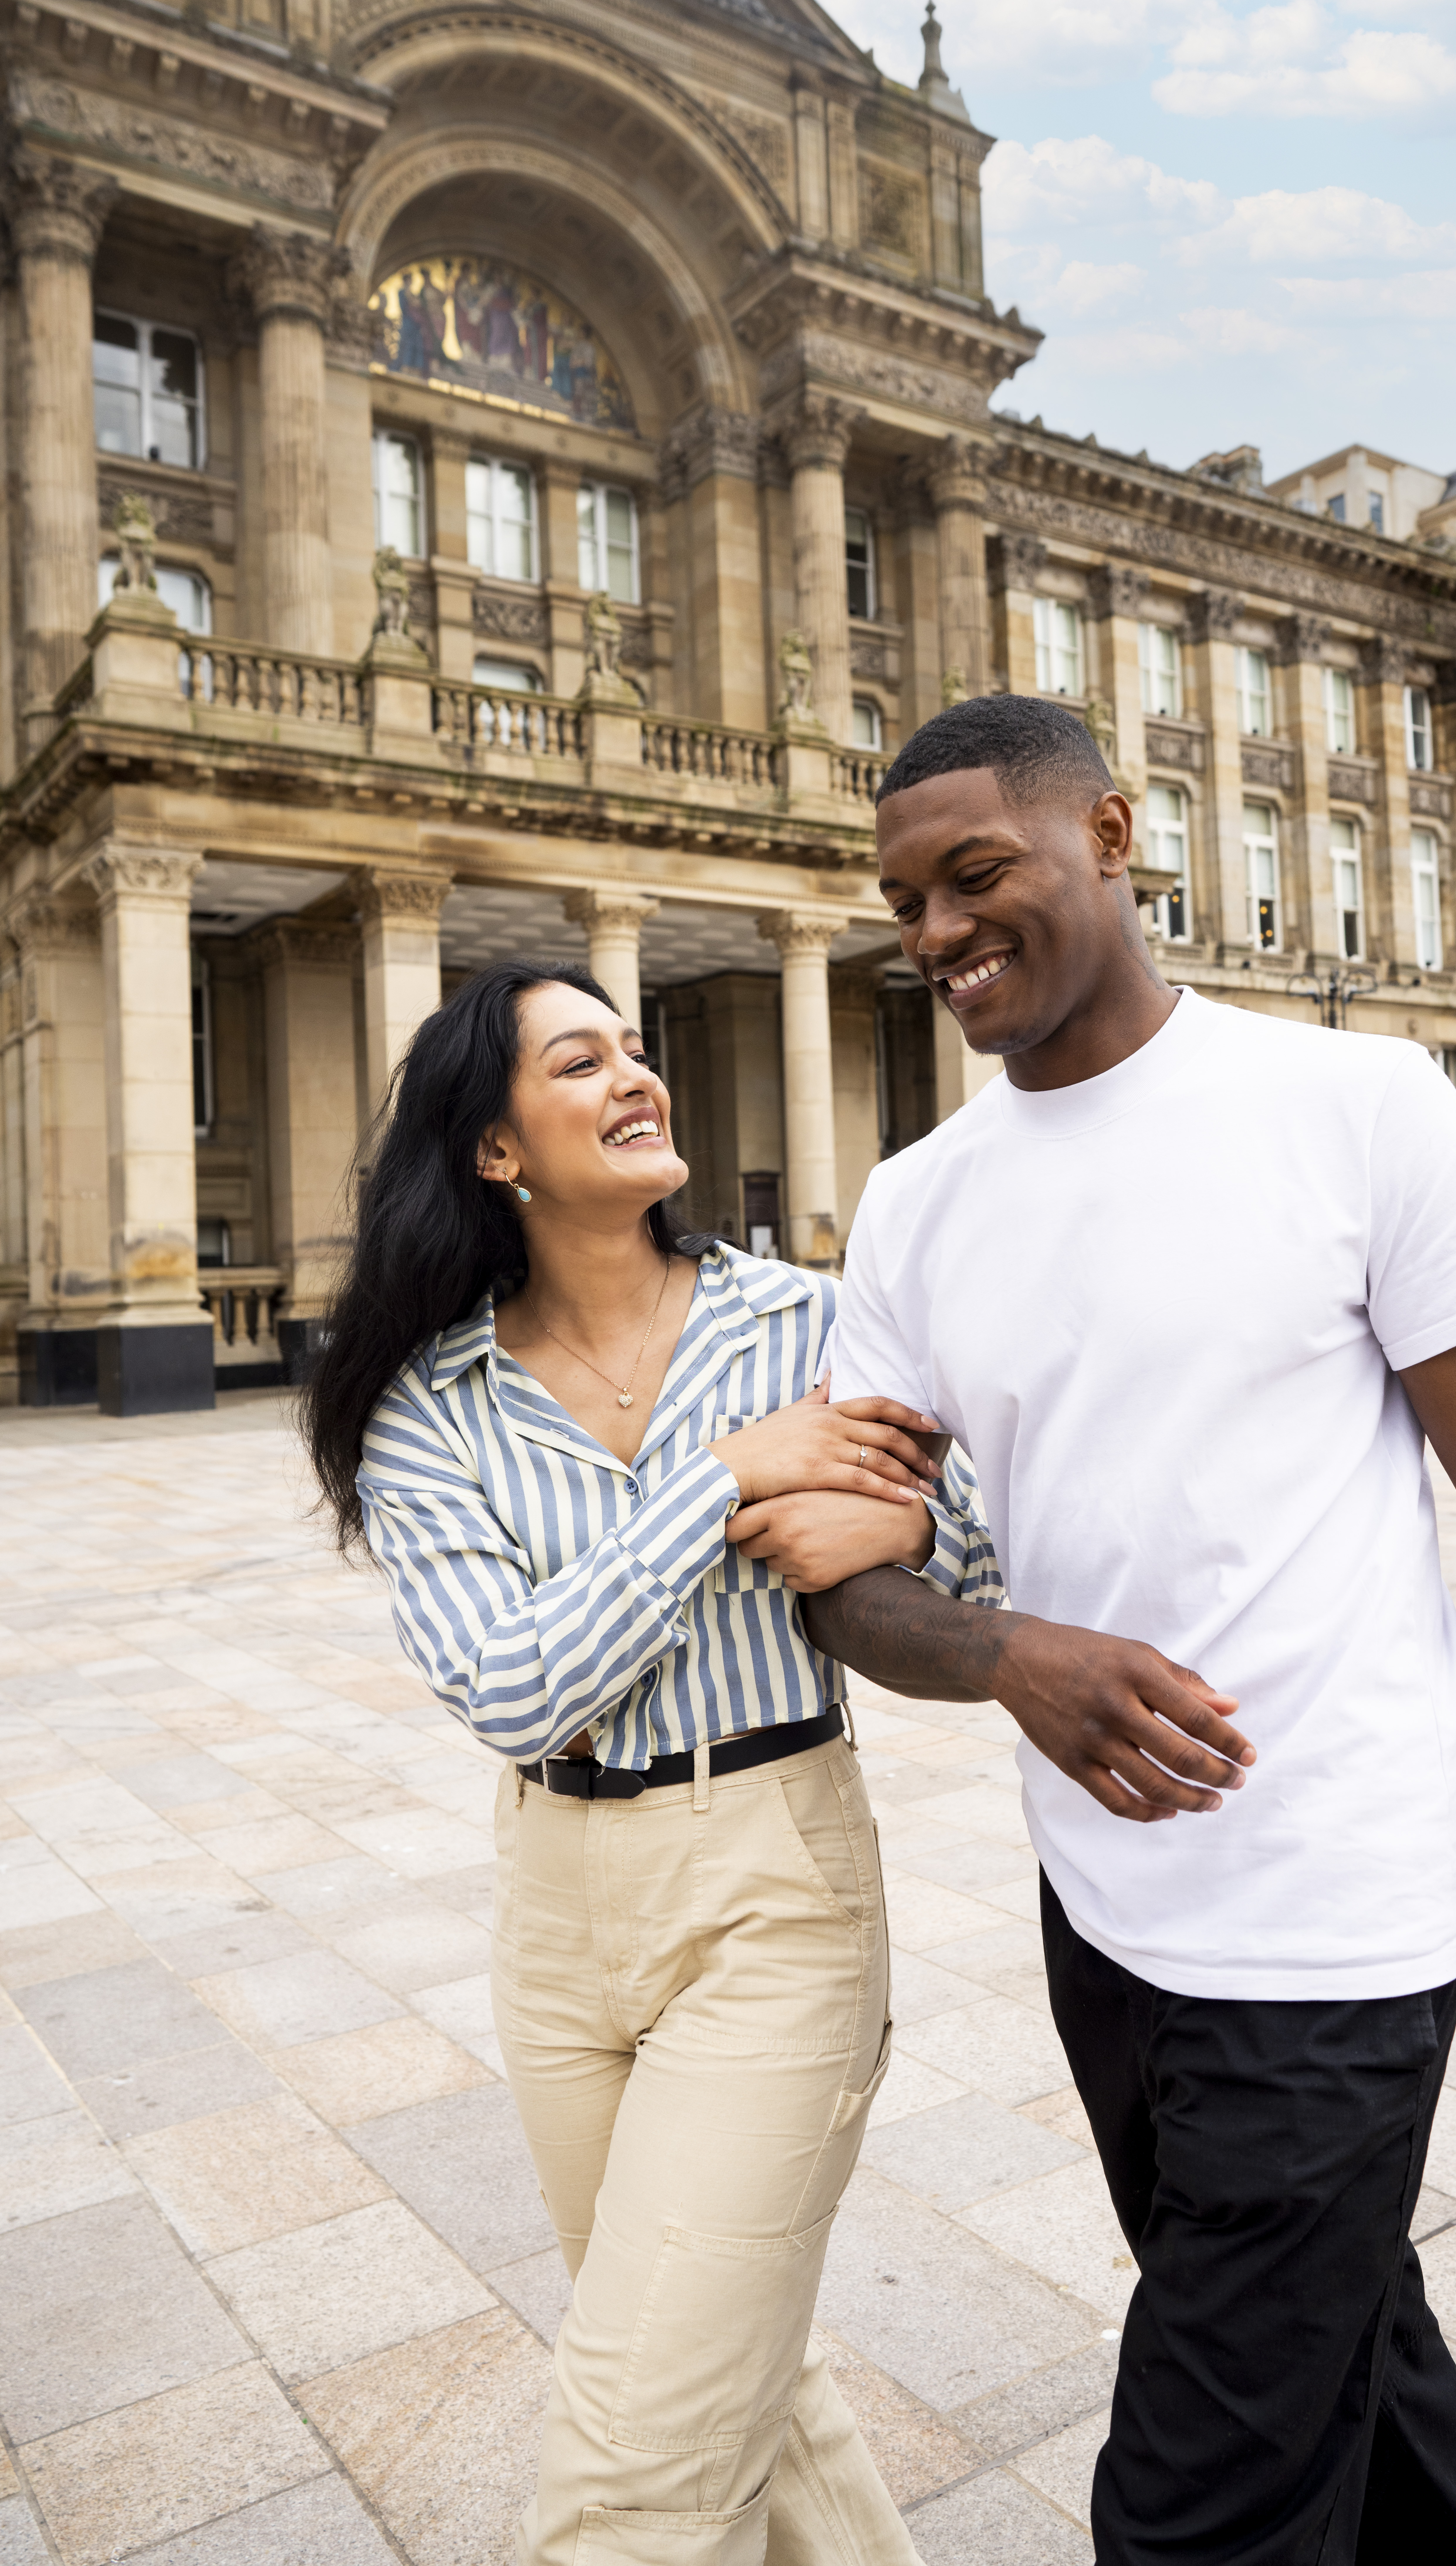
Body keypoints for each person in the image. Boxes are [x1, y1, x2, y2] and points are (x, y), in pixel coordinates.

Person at [801, 699, 1456, 2566]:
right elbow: (852, 1577)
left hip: (1336, 1922)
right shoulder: (920, 1207)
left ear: (1109, 831)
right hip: (1105, 1926)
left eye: (975, 875)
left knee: (1197, 2507)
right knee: (1356, 2385)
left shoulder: (1352, 1104)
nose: (933, 932)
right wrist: (1011, 1654)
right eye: (905, 900)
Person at [302, 957, 1001, 2566]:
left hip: (775, 1886)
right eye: (580, 1060)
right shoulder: (432, 1408)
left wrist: (892, 1515)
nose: (638, 1076)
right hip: (555, 1919)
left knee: (633, 2467)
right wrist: (720, 1483)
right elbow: (515, 1685)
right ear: (497, 1149)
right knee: (749, 2380)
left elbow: (968, 1576)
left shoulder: (806, 1321)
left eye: (638, 1048)